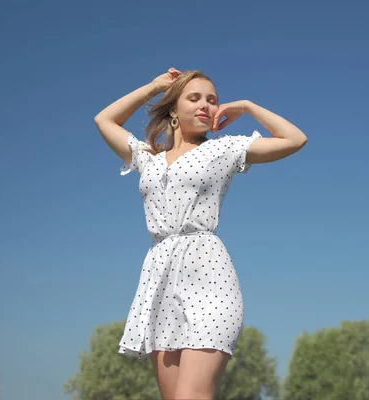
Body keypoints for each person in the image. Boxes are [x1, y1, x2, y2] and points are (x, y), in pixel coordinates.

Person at [94, 67, 307, 400]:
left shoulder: (223, 150)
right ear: (173, 110)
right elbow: (104, 120)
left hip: (209, 279)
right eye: (194, 98)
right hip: (159, 281)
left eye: (212, 100)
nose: (206, 106)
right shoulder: (148, 159)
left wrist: (248, 106)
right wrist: (153, 88)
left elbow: (295, 139)